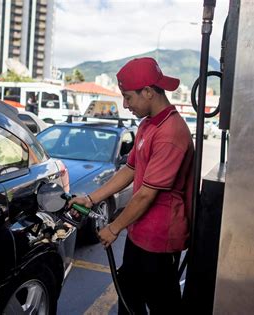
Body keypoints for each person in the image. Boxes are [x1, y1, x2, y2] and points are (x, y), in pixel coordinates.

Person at [68, 57, 194, 314]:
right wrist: (91, 199)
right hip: (139, 231)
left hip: (159, 239)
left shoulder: (171, 132)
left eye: (128, 97)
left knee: (162, 306)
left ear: (148, 92)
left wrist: (113, 228)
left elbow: (146, 194)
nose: (125, 105)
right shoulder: (148, 124)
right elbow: (130, 169)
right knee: (128, 295)